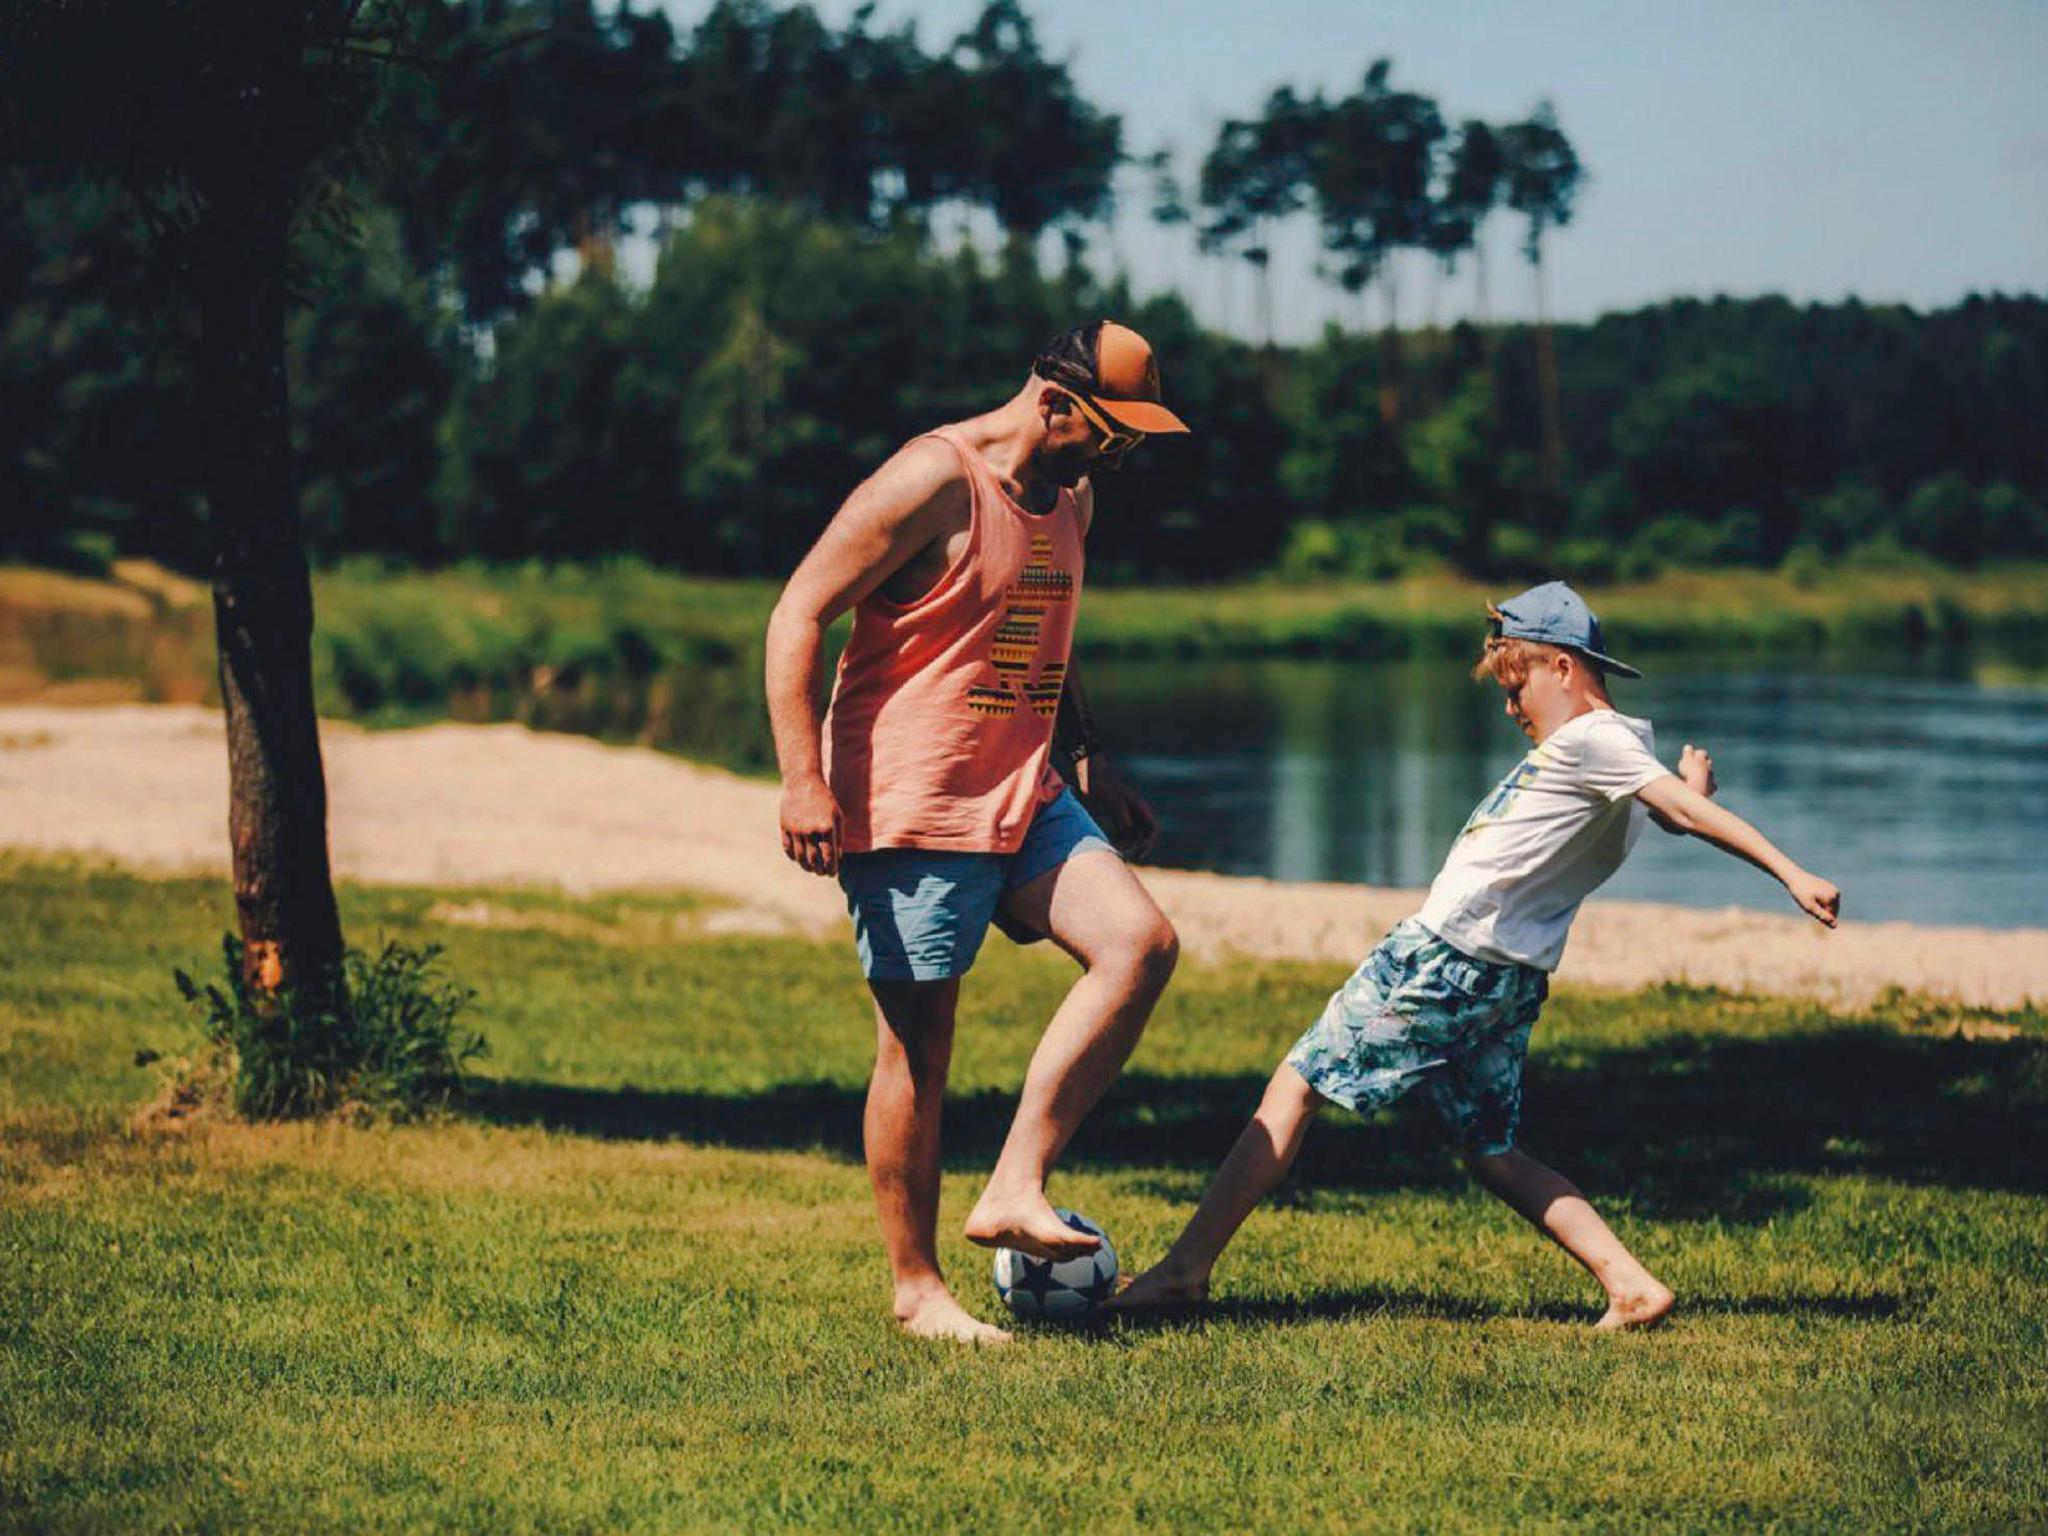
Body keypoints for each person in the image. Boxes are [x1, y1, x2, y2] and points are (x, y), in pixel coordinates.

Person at [1113, 581, 1843, 1331]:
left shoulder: (1598, 740)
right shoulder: (1617, 747)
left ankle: (1183, 1273)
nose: (1509, 706)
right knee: (1490, 1147)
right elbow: (1672, 810)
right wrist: (1690, 791)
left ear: (1561, 666)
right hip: (1509, 976)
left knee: (1295, 1088)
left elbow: (1681, 812)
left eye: (1515, 682)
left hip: (1448, 958)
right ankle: (1630, 1285)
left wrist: (1789, 870)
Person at [765, 321, 1189, 1343]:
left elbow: (1045, 627)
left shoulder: (1070, 496)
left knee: (1139, 944)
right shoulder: (931, 480)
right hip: (915, 798)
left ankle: (1011, 1181)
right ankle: (916, 1291)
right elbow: (798, 612)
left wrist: (1089, 761)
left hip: (1027, 790)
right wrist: (801, 779)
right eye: (1109, 434)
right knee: (918, 1051)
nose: (1116, 457)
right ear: (1052, 402)